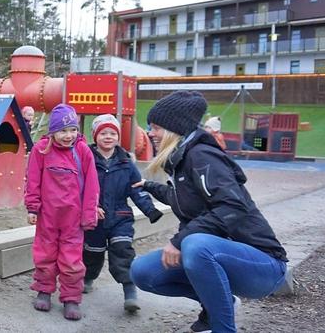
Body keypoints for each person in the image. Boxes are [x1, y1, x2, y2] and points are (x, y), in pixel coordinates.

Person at [130, 91, 288, 333]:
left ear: (175, 130)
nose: (151, 133)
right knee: (143, 272)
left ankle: (222, 328)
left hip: (263, 265)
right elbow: (185, 201)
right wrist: (149, 186)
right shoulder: (181, 159)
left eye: (156, 128)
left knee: (194, 245)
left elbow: (231, 205)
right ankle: (219, 302)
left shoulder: (201, 155)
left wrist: (178, 241)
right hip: (222, 254)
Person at [25, 104, 100, 321]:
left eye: (73, 130)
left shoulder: (82, 151)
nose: (68, 136)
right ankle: (44, 289)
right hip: (47, 215)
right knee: (44, 253)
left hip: (73, 217)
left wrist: (88, 214)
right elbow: (33, 181)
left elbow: (92, 185)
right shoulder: (41, 150)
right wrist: (32, 207)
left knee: (72, 257)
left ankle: (71, 298)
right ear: (52, 131)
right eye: (63, 131)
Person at [82, 114, 163, 313]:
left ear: (118, 137)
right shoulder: (87, 159)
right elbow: (79, 187)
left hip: (120, 216)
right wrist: (88, 207)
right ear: (95, 136)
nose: (108, 137)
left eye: (112, 133)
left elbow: (136, 188)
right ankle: (88, 278)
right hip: (94, 218)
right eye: (103, 133)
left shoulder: (126, 162)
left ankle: (130, 291)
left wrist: (150, 209)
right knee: (92, 254)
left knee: (123, 253)